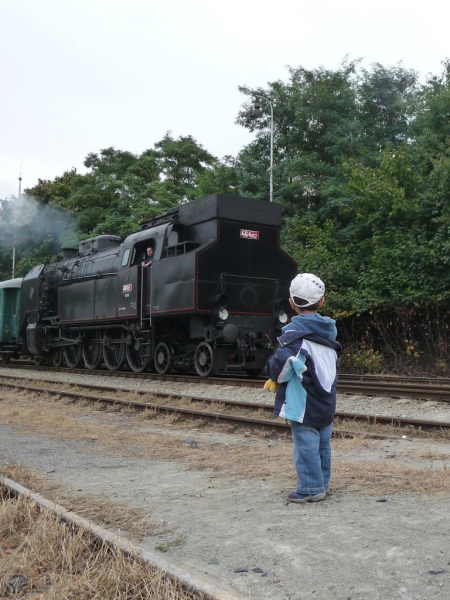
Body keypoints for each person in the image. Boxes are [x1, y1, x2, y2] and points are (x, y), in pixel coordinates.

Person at [265, 273, 341, 504]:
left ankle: (310, 488)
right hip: (327, 401)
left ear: (291, 303)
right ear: (322, 302)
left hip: (303, 403)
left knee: (306, 445)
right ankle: (322, 484)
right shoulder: (329, 333)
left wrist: (272, 372)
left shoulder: (294, 338)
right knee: (322, 445)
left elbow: (280, 368)